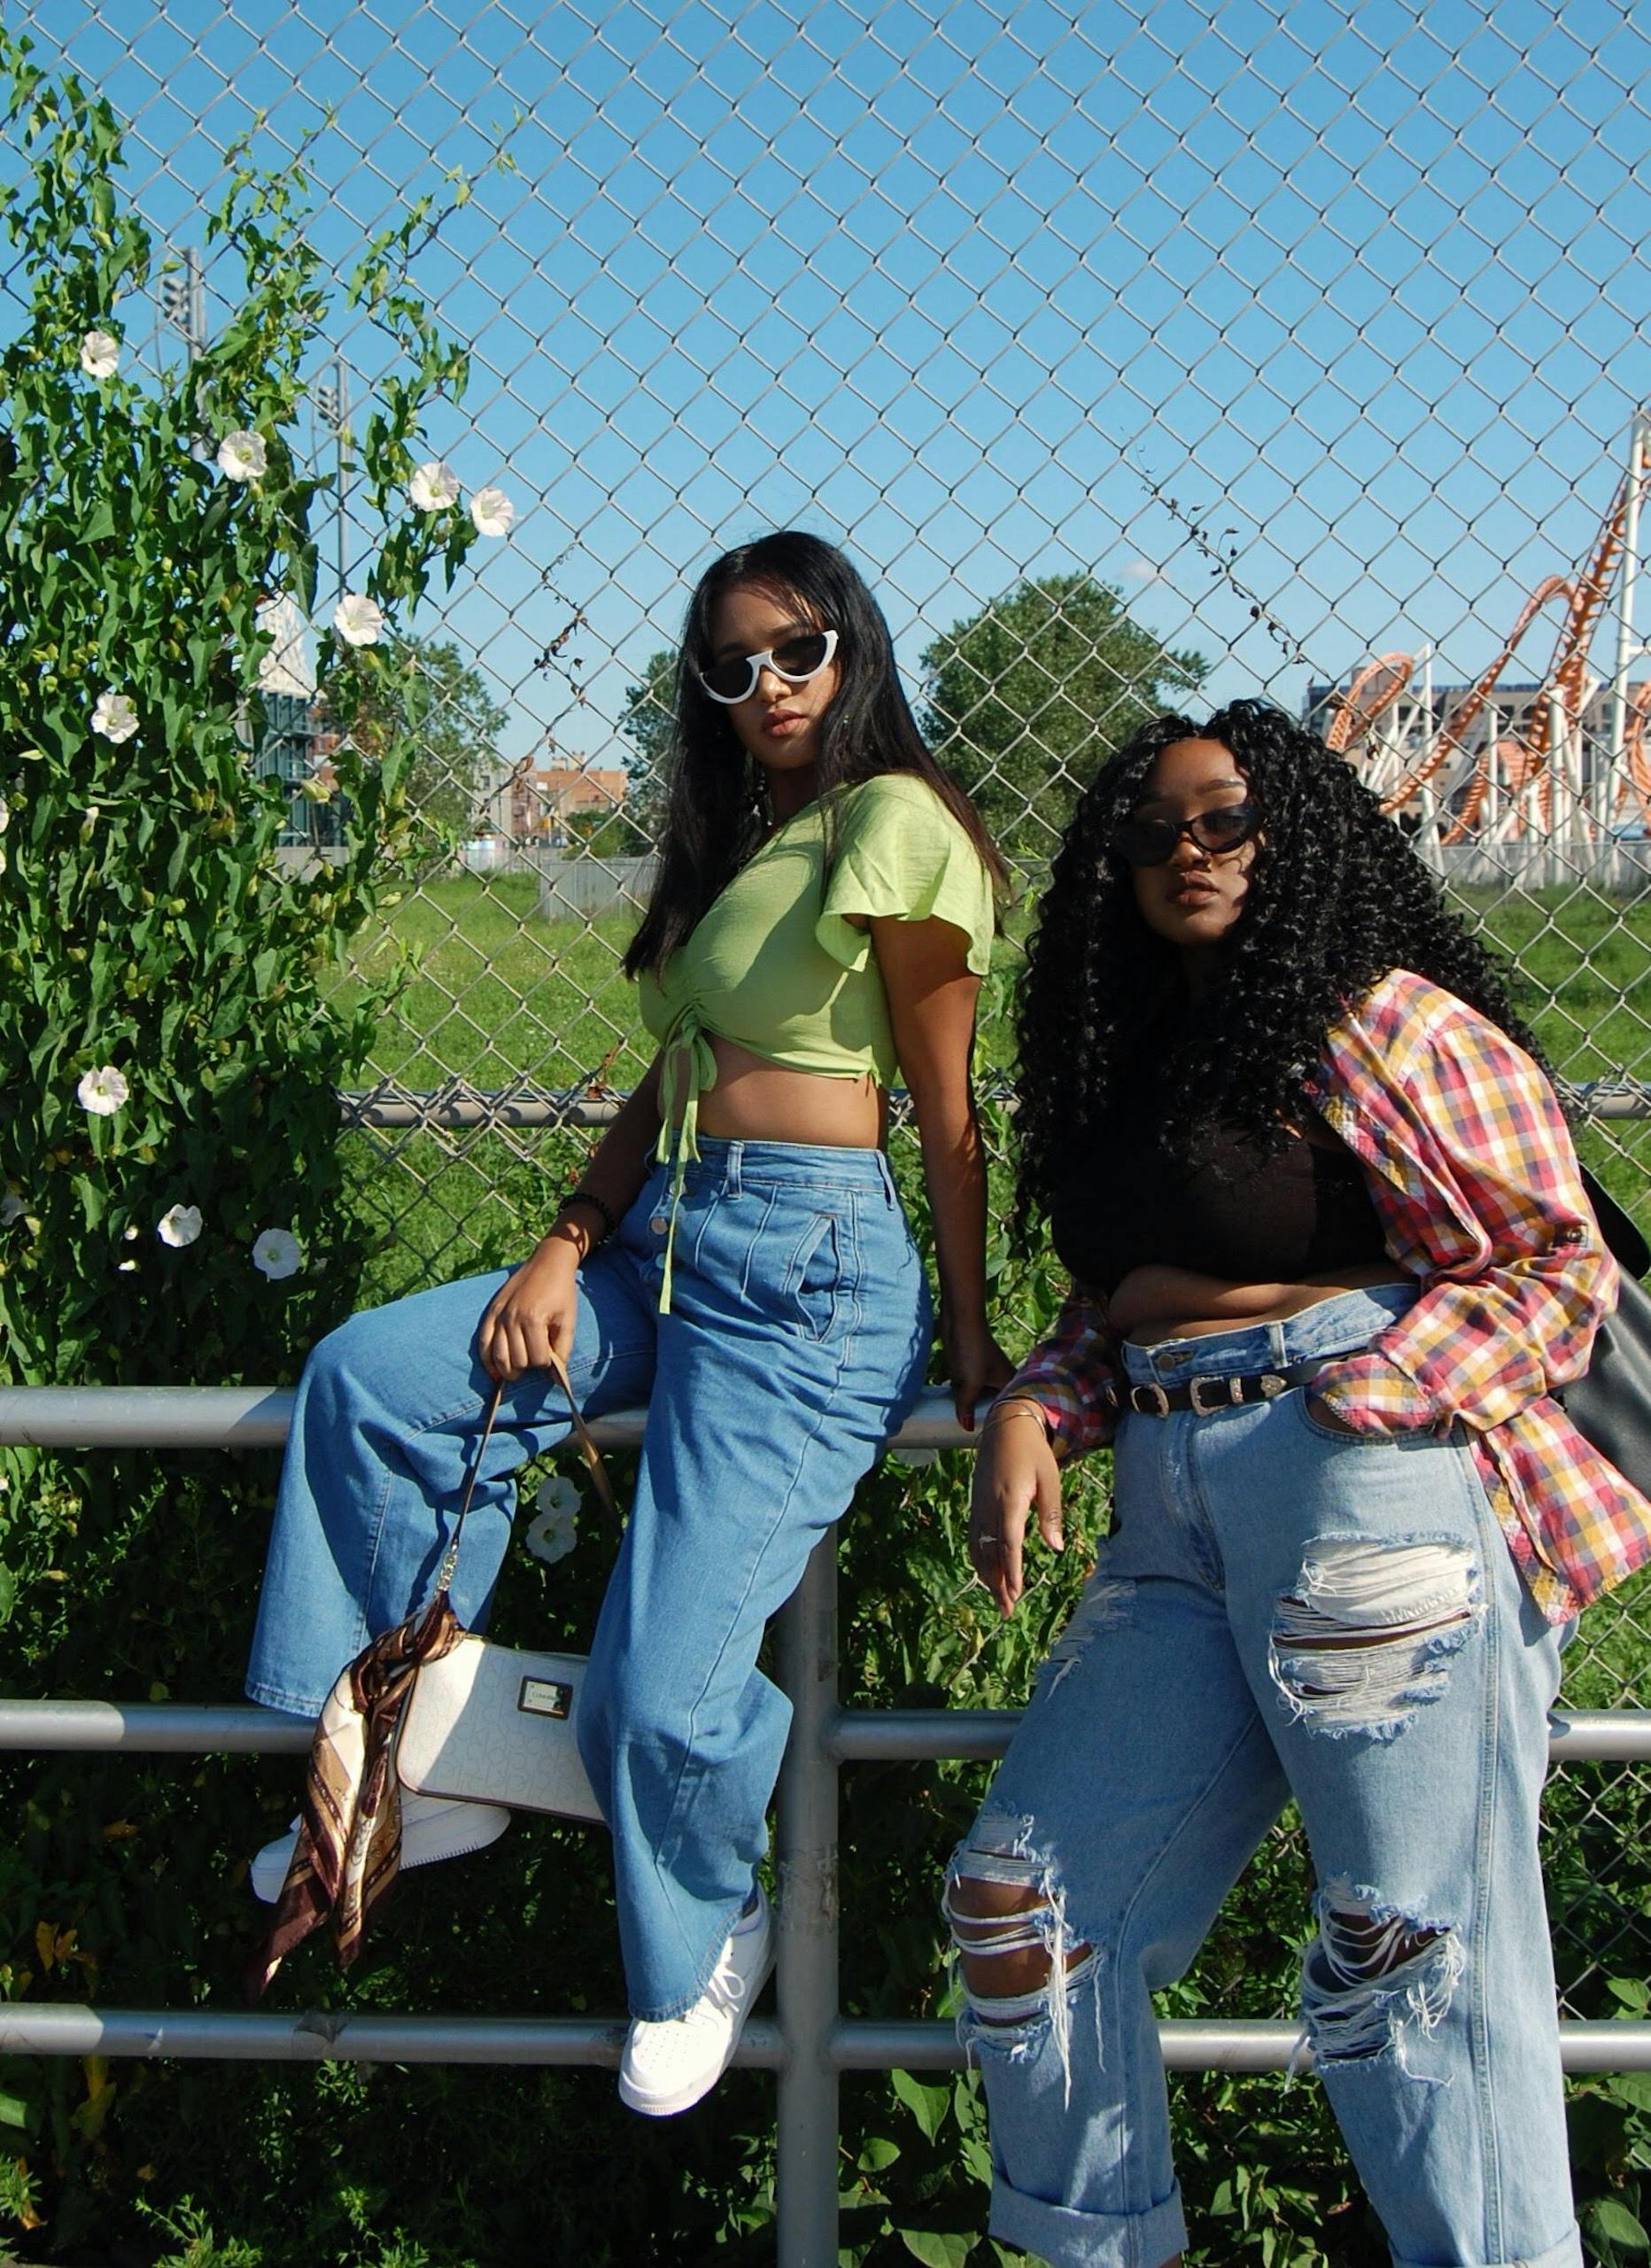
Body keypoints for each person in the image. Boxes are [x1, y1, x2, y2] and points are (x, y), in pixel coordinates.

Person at [245, 529, 1010, 2116]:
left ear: (852, 645)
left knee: (655, 1687)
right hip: (664, 1238)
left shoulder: (896, 822)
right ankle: (396, 1766)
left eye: (796, 650)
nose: (768, 687)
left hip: (814, 1276)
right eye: (731, 667)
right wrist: (563, 1236)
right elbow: (672, 1080)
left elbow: (947, 1117)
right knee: (371, 1382)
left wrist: (985, 1355)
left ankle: (703, 1939)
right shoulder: (747, 844)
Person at [948, 700, 1651, 2268]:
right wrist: (1039, 1404)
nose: (1186, 855)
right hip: (1169, 1505)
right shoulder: (1123, 1055)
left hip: (1361, 1492)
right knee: (1025, 1908)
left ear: (1297, 836)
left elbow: (1557, 1258)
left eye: (1224, 823)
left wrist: (1375, 1398)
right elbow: (1127, 1295)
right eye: (1151, 834)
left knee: (1408, 1953)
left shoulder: (1382, 1019)